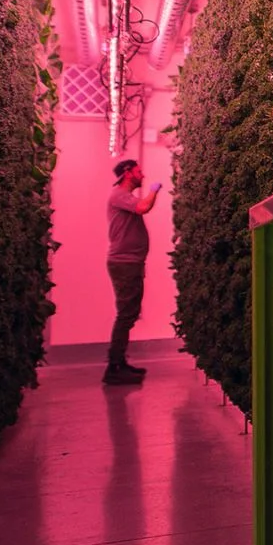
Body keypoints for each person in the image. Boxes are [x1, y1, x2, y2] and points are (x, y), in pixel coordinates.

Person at [106, 159, 162, 386]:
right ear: (128, 173)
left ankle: (119, 362)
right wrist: (153, 192)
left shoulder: (123, 196)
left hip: (131, 263)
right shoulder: (119, 195)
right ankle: (114, 367)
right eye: (139, 171)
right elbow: (143, 207)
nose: (143, 174)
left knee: (129, 313)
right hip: (125, 264)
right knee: (125, 315)